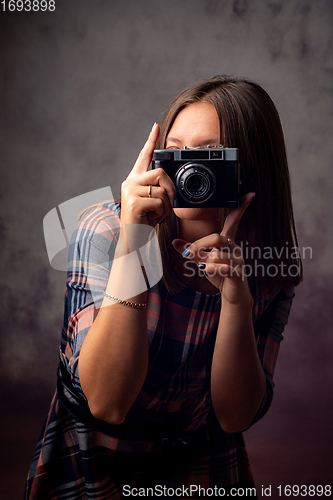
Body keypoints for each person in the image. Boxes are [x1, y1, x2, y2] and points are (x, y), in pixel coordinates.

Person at [25, 76, 302, 499]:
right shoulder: (106, 228)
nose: (188, 168)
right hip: (94, 460)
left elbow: (234, 416)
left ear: (251, 165)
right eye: (176, 150)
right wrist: (133, 243)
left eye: (210, 154)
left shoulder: (267, 262)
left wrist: (235, 303)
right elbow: (106, 402)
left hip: (201, 462)